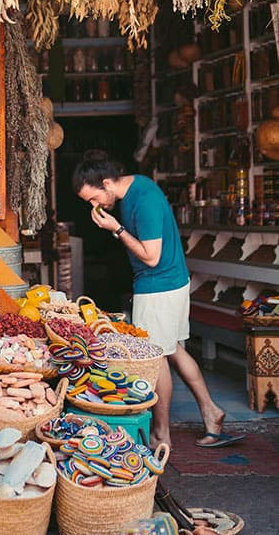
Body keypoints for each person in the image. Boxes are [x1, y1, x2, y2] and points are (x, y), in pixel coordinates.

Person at [71, 150, 245, 449]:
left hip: (158, 286)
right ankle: (211, 411)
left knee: (155, 357)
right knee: (174, 350)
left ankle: (161, 433)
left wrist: (116, 229)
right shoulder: (136, 189)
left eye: (93, 198)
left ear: (108, 183)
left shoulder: (144, 201)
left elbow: (151, 257)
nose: (94, 206)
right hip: (171, 282)